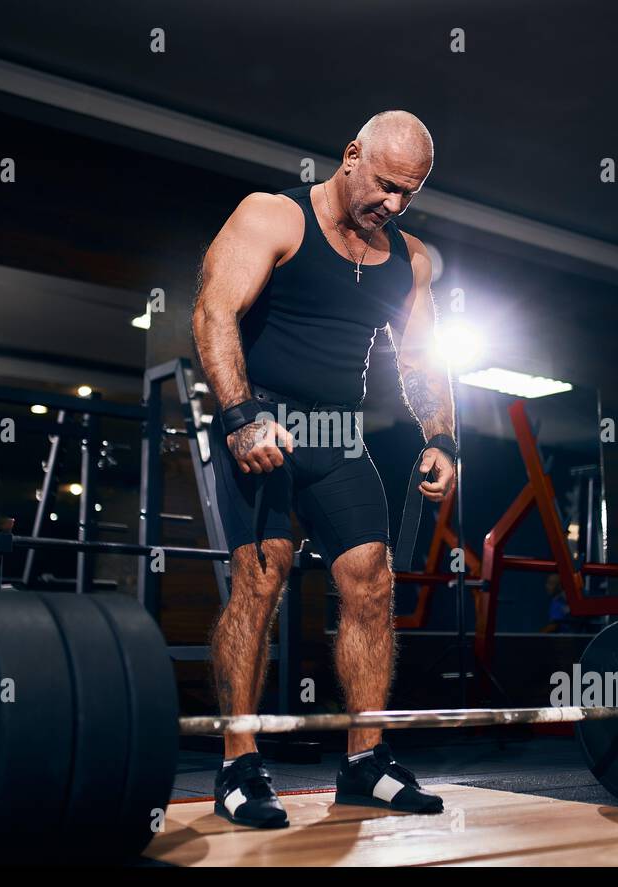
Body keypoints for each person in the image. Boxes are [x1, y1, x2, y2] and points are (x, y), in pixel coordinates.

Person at [192, 110, 458, 828]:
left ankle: (365, 761)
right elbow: (214, 313)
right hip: (265, 418)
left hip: (337, 433)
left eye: (411, 192)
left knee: (372, 578)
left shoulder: (411, 259)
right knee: (261, 576)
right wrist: (241, 415)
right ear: (350, 157)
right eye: (385, 185)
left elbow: (419, 357)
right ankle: (239, 763)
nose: (394, 205)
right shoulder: (273, 218)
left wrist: (443, 437)